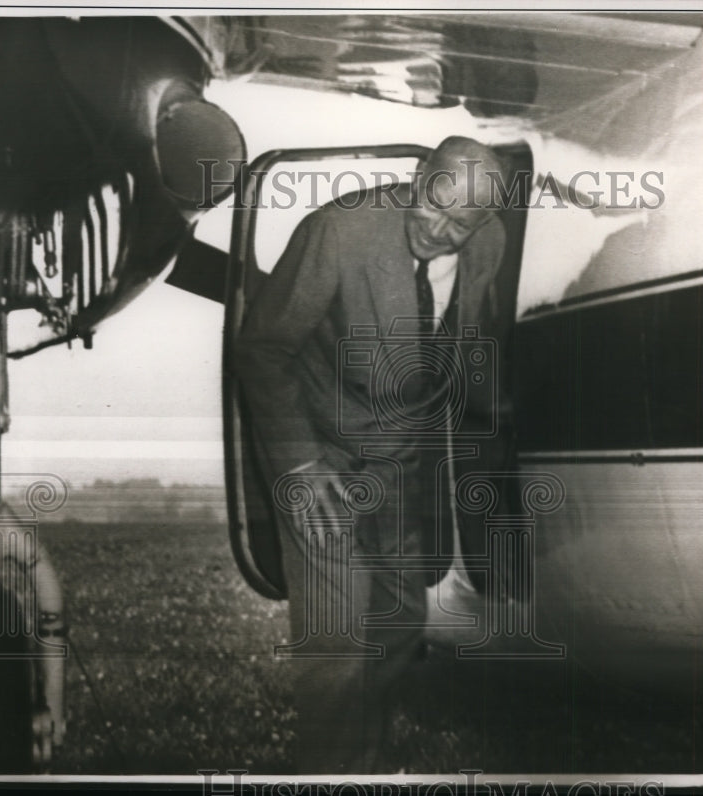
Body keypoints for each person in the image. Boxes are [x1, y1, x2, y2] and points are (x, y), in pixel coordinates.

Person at [235, 136, 514, 773]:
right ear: (418, 179)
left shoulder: (488, 246)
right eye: (431, 205)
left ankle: (361, 758)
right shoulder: (338, 231)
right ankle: (333, 770)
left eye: (458, 225)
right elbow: (262, 349)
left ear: (483, 226)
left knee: (399, 623)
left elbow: (455, 350)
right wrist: (302, 466)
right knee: (336, 636)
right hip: (318, 454)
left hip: (397, 461)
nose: (435, 230)